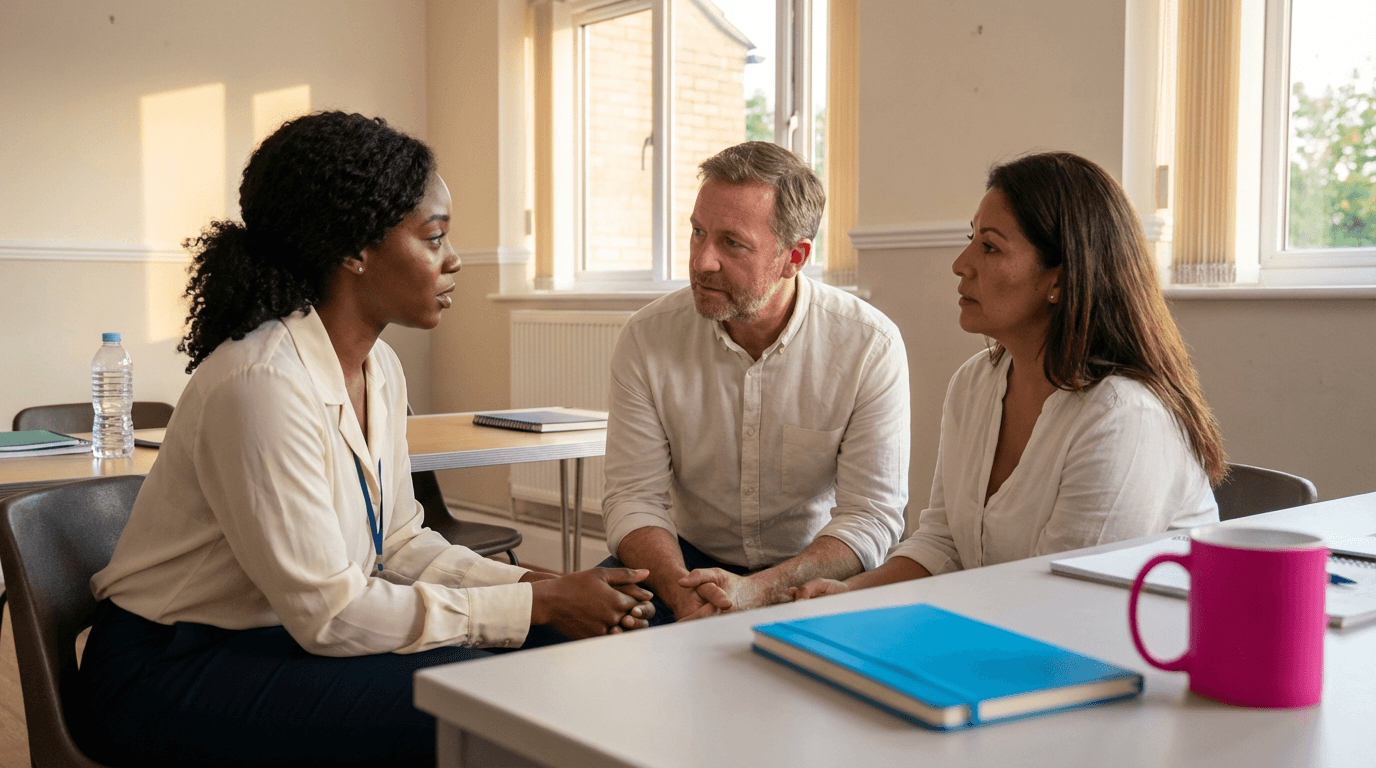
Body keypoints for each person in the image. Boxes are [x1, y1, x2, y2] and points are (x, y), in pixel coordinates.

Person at [79, 111, 653, 767]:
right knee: (491, 702)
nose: (454, 259)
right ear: (354, 250)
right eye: (433, 238)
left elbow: (399, 541)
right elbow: (331, 616)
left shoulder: (378, 368)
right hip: (170, 668)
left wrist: (527, 583)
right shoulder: (261, 383)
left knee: (554, 651)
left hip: (275, 637)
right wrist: (528, 604)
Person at [794, 151, 1224, 600]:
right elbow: (943, 545)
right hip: (1013, 640)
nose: (961, 263)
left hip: (1112, 655)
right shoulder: (975, 383)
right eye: (971, 239)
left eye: (990, 246)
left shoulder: (1123, 416)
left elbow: (1064, 604)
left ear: (1059, 279)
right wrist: (846, 593)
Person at [599, 141, 910, 624]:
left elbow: (871, 515)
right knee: (569, 646)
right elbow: (633, 498)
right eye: (698, 233)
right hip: (680, 565)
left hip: (810, 571)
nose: (702, 261)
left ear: (795, 257)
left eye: (732, 243)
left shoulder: (869, 345)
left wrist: (757, 591)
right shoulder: (647, 338)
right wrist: (685, 598)